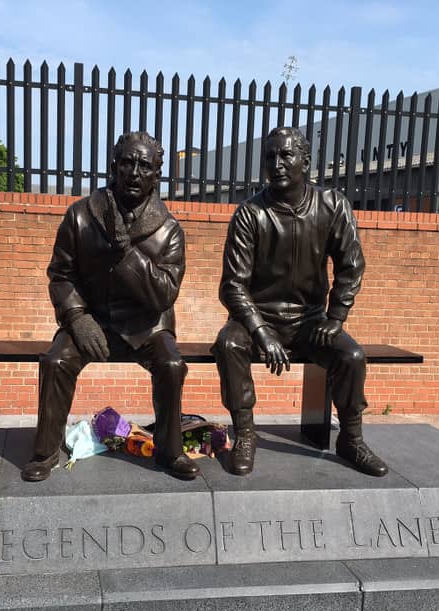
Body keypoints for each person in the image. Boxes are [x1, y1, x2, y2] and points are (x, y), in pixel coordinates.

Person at [211, 126, 388, 477]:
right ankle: (246, 434)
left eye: (286, 155)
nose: (276, 163)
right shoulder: (250, 214)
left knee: (351, 356)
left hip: (310, 321)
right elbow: (232, 285)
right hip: (256, 320)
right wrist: (261, 332)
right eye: (270, 157)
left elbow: (352, 266)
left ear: (305, 162)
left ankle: (350, 438)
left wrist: (335, 317)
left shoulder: (332, 205)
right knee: (228, 343)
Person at [22, 131, 199, 482]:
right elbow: (61, 274)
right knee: (56, 361)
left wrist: (127, 253)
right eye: (127, 163)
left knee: (172, 365)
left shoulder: (169, 230)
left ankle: (169, 450)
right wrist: (77, 317)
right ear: (113, 167)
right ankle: (46, 451)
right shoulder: (80, 216)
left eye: (144, 166)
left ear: (156, 175)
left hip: (147, 324)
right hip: (91, 318)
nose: (134, 172)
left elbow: (164, 295)